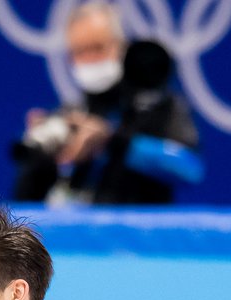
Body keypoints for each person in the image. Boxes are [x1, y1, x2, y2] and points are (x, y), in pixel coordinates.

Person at [11, 1, 203, 205]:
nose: (90, 59)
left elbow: (190, 170)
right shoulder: (71, 113)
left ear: (120, 47)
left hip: (138, 233)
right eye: (80, 51)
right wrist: (43, 159)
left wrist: (112, 142)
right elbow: (27, 204)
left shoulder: (160, 106)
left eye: (98, 47)